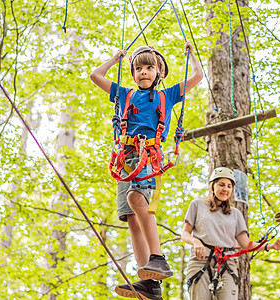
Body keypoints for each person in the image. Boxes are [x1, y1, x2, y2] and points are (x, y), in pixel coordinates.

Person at [90, 43, 202, 300]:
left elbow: (197, 77)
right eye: (138, 68)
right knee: (131, 217)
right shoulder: (124, 94)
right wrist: (115, 59)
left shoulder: (168, 95)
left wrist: (191, 56)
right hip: (125, 158)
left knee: (136, 199)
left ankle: (158, 258)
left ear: (159, 73)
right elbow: (96, 76)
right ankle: (149, 282)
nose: (143, 72)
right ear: (133, 74)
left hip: (148, 155)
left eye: (150, 67)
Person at [181, 167, 280, 300]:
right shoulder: (197, 205)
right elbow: (185, 234)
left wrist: (269, 246)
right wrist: (195, 241)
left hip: (227, 265)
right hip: (200, 261)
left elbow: (245, 244)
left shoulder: (235, 214)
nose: (225, 189)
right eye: (221, 185)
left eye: (229, 186)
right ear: (212, 186)